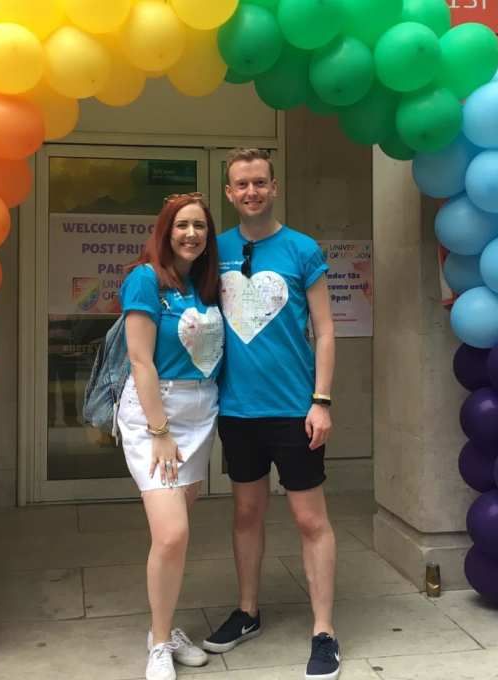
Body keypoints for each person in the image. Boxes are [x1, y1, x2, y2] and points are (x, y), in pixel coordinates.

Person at [203, 148, 340, 680]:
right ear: (230, 193)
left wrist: (321, 399)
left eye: (259, 182)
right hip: (237, 410)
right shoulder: (213, 251)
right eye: (241, 184)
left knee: (311, 519)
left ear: (274, 186)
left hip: (294, 410)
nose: (251, 191)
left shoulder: (303, 249)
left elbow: (326, 329)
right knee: (246, 514)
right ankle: (247, 612)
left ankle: (323, 630)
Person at [117, 193, 224, 680]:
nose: (191, 234)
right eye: (182, 225)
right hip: (154, 413)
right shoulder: (145, 279)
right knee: (172, 533)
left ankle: (165, 626)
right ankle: (159, 644)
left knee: (177, 539)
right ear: (165, 230)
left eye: (199, 226)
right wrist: (159, 431)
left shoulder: (204, 285)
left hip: (201, 412)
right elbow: (141, 360)